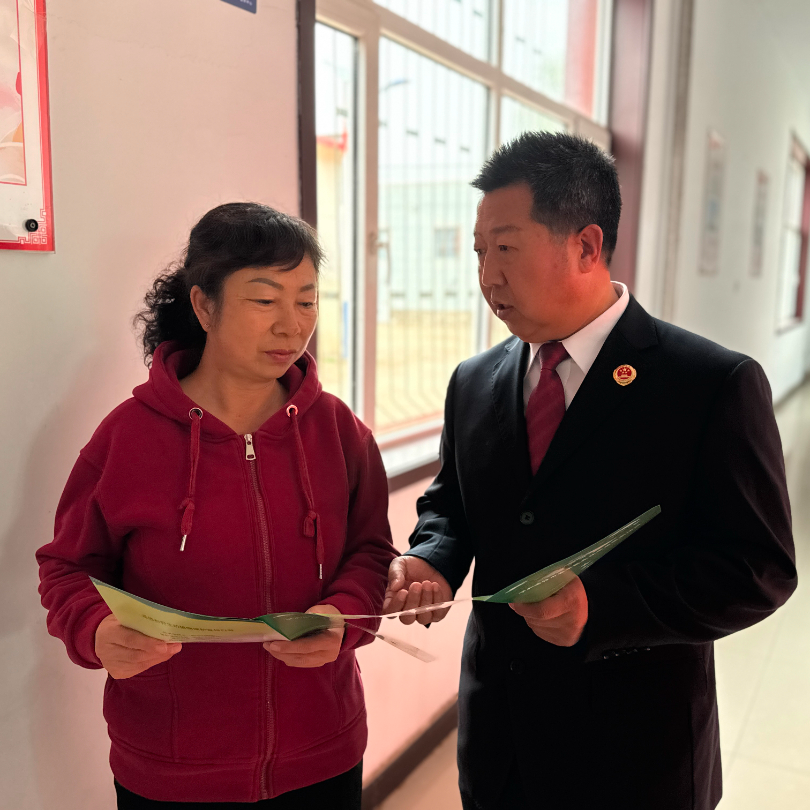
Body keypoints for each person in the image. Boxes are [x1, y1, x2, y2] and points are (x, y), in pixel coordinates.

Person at [383, 132, 797, 810]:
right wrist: (431, 557)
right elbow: (452, 503)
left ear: (585, 246)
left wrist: (602, 606)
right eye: (479, 252)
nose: (487, 277)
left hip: (635, 753)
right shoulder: (474, 381)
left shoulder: (707, 384)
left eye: (506, 249)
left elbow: (759, 569)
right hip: (498, 740)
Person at [37, 202, 397, 809]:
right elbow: (66, 568)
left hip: (323, 752)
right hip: (172, 768)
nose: (292, 327)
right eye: (265, 300)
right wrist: (96, 630)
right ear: (204, 306)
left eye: (306, 301)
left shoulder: (339, 431)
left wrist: (343, 616)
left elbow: (371, 551)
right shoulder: (127, 438)